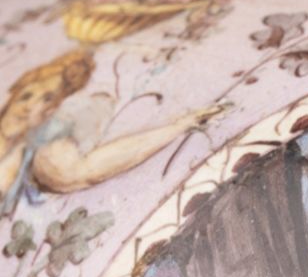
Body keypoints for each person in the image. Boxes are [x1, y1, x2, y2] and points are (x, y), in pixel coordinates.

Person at [0, 49, 223, 215]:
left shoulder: (45, 157)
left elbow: (85, 170)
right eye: (26, 96)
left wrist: (177, 127)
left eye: (48, 99)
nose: (29, 107)